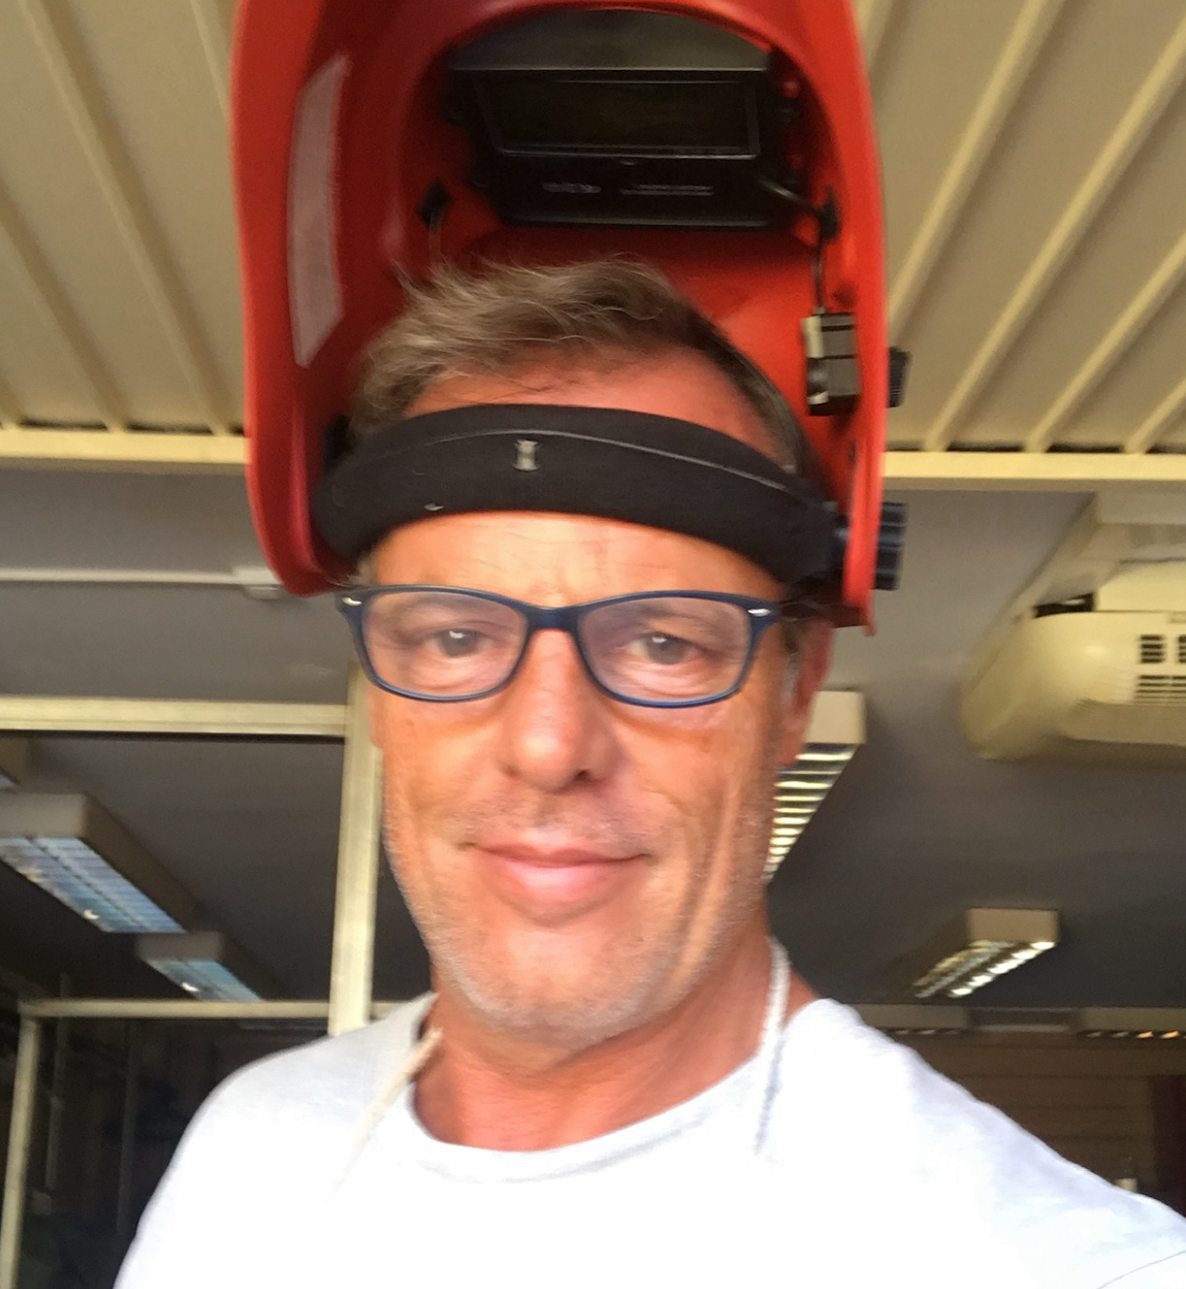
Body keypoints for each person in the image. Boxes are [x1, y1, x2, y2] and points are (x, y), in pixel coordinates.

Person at [117, 261, 1186, 1288]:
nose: (548, 745)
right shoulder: (255, 1139)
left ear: (794, 690)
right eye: (454, 637)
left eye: (663, 643)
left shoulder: (1056, 1262)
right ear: (381, 691)